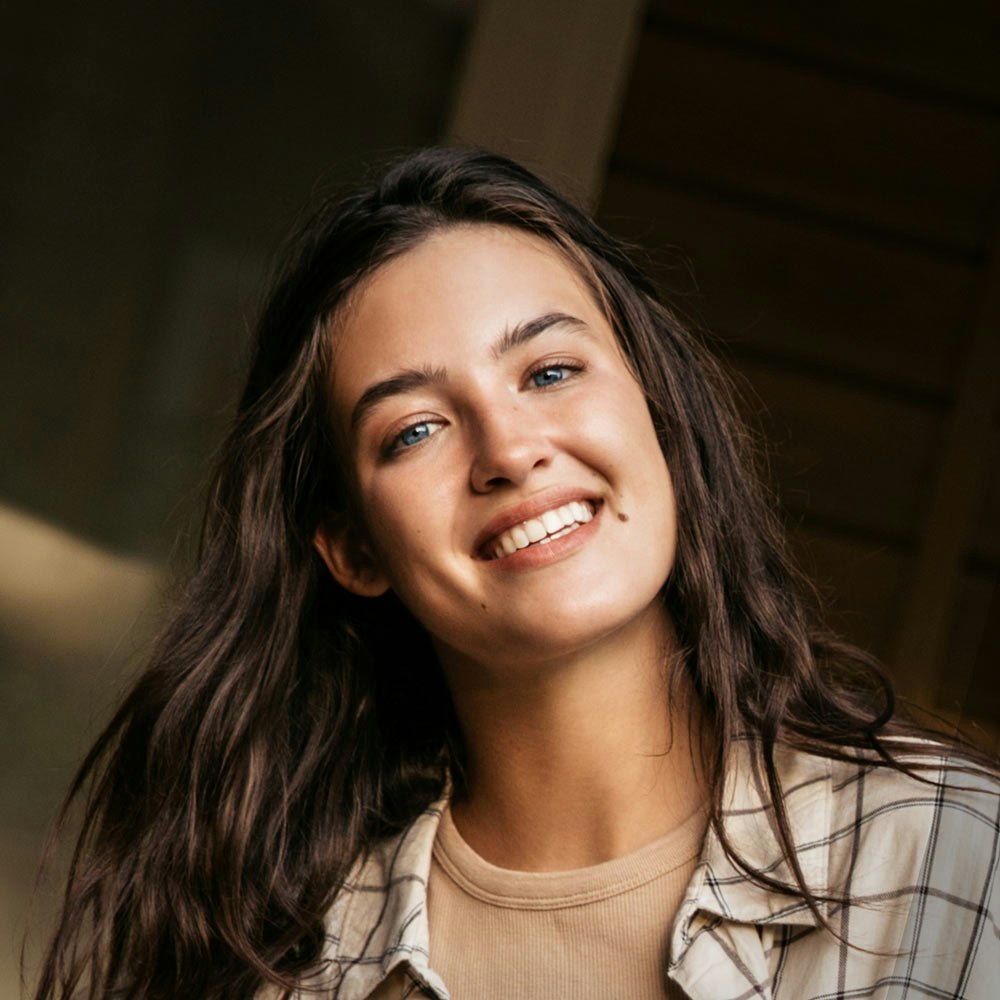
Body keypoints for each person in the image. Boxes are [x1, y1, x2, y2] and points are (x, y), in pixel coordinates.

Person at [32, 148, 999, 1000]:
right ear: (354, 550)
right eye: (414, 430)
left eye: (549, 372)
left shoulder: (952, 865)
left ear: (654, 407)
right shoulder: (290, 972)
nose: (508, 451)